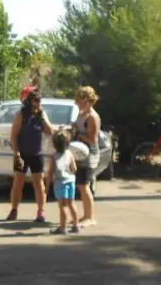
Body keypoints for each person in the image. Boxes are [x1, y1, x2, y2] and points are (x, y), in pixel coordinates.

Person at [7, 86, 53, 223]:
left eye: (40, 101)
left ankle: (41, 212)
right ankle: (14, 209)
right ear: (29, 101)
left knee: (39, 183)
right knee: (18, 182)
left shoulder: (41, 114)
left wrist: (42, 117)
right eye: (36, 101)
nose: (39, 103)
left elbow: (50, 131)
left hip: (37, 154)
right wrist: (16, 154)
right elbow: (14, 135)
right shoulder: (21, 115)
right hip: (22, 153)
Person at [73, 86, 102, 227]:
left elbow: (92, 140)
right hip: (80, 152)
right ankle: (85, 215)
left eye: (78, 98)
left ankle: (90, 217)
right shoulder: (82, 114)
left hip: (89, 153)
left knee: (84, 186)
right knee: (81, 185)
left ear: (85, 99)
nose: (75, 101)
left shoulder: (92, 117)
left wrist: (77, 134)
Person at [47, 128, 80, 234]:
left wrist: (48, 183)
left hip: (60, 183)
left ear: (54, 144)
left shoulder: (54, 156)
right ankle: (76, 225)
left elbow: (51, 171)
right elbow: (74, 168)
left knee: (63, 206)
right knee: (71, 203)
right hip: (71, 181)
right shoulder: (70, 154)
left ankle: (62, 227)